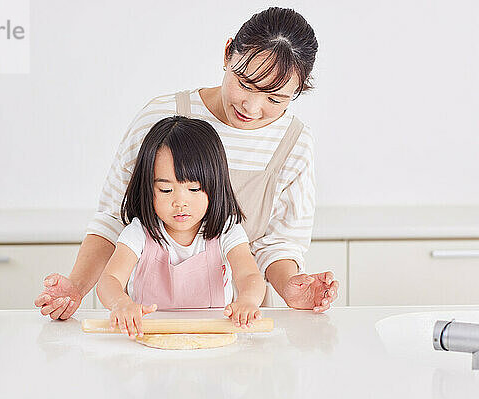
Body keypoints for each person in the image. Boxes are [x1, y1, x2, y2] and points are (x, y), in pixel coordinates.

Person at [35, 7, 339, 320]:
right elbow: (114, 217)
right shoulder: (161, 118)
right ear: (227, 54)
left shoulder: (294, 143)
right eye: (245, 83)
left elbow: (277, 245)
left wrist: (290, 286)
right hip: (147, 320)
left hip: (234, 320)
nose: (252, 106)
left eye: (275, 99)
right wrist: (76, 286)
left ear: (297, 91)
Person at [97, 116, 267, 338]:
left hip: (211, 340)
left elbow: (250, 276)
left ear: (215, 186)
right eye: (166, 190)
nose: (180, 202)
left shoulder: (227, 230)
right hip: (147, 338)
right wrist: (120, 303)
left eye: (194, 189)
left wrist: (247, 301)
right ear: (148, 189)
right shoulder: (139, 232)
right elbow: (108, 280)